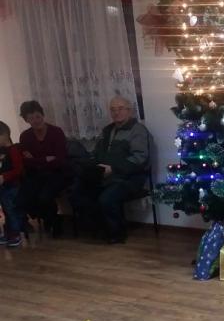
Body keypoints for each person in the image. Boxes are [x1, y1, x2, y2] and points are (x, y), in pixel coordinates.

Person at [70, 97, 150, 243]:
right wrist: (91, 163)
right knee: (78, 191)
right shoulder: (107, 130)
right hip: (105, 176)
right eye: (113, 109)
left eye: (120, 109)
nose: (116, 112)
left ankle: (116, 233)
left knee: (107, 198)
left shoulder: (137, 130)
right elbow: (96, 153)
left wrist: (114, 169)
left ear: (129, 111)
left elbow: (140, 158)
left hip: (129, 177)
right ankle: (99, 227)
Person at [18, 100, 69, 236]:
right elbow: (26, 162)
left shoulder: (56, 132)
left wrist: (35, 160)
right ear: (26, 120)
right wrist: (46, 159)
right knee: (24, 197)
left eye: (38, 116)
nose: (36, 121)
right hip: (35, 174)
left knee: (44, 196)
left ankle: (55, 222)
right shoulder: (25, 136)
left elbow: (60, 160)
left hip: (57, 173)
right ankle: (49, 218)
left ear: (43, 115)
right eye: (31, 118)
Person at [0, 121, 24, 247]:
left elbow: (18, 170)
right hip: (3, 187)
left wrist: (4, 177)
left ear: (5, 135)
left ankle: (15, 233)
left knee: (11, 210)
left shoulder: (13, 150)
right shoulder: (1, 151)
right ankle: (8, 232)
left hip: (12, 186)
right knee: (6, 209)